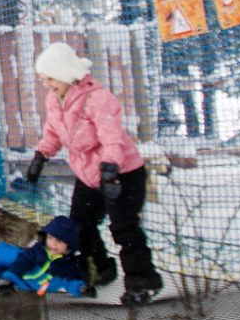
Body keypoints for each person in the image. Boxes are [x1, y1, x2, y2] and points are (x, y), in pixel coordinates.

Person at [21, 42, 165, 305]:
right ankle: (100, 270)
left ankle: (143, 282)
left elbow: (112, 137)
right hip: (88, 174)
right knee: (79, 226)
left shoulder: (97, 98)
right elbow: (53, 132)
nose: (46, 83)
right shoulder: (54, 99)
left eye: (49, 77)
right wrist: (41, 155)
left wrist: (110, 169)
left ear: (64, 73)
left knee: (124, 227)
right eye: (43, 79)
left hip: (122, 171)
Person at [0, 215, 90, 296]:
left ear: (69, 246)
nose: (53, 243)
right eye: (50, 238)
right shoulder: (39, 251)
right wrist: (9, 278)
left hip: (32, 285)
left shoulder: (69, 265)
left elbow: (70, 281)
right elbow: (22, 263)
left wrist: (80, 288)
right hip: (21, 274)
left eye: (59, 241)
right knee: (15, 257)